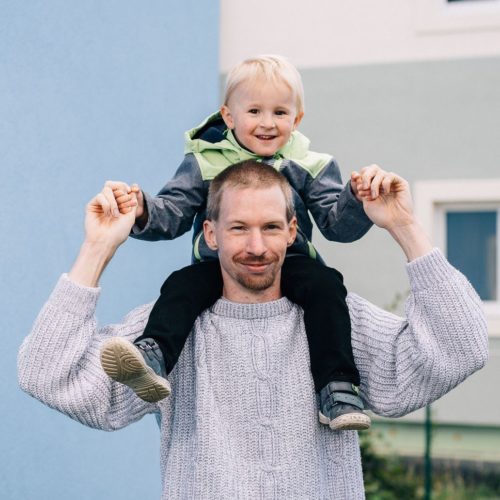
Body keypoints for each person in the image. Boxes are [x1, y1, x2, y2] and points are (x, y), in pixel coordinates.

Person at [18, 161, 488, 499]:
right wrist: (98, 248)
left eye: (270, 228)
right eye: (239, 228)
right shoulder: (168, 328)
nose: (257, 246)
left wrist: (405, 226)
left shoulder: (335, 319)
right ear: (211, 234)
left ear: (292, 232)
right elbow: (47, 375)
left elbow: (462, 346)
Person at [99, 55, 384, 430]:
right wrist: (141, 208)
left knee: (327, 287)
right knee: (181, 286)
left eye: (280, 112)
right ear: (229, 116)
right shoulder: (206, 161)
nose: (267, 123)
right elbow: (174, 213)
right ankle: (153, 357)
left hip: (288, 261)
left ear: (297, 119)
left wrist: (357, 199)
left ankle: (337, 388)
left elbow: (336, 225)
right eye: (254, 111)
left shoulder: (309, 164)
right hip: (219, 263)